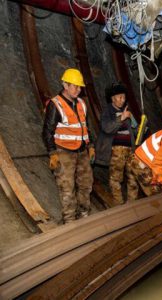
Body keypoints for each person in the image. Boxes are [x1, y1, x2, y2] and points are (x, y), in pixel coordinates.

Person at [42, 68, 94, 224]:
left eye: (79, 87)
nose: (78, 90)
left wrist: (90, 146)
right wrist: (52, 153)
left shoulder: (82, 104)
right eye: (75, 86)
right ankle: (69, 220)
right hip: (64, 152)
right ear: (65, 85)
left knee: (86, 184)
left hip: (82, 151)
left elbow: (85, 127)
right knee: (67, 187)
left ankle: (84, 213)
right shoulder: (55, 104)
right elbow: (47, 132)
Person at [95, 82, 139, 204]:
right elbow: (107, 128)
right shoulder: (107, 112)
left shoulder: (126, 111)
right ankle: (118, 204)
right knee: (116, 178)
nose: (122, 100)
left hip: (130, 149)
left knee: (133, 176)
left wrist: (135, 124)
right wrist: (121, 118)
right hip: (116, 150)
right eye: (120, 97)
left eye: (124, 97)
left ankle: (132, 203)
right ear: (112, 98)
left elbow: (135, 132)